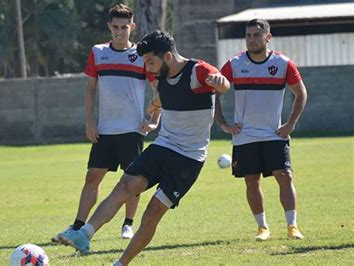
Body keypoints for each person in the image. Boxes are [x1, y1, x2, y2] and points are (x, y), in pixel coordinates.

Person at [56, 30, 230, 265]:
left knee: (152, 213)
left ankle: (121, 263)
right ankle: (84, 234)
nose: (147, 68)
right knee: (127, 184)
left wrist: (221, 83)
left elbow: (221, 83)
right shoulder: (162, 78)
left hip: (188, 158)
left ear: (168, 56)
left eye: (151, 61)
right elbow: (160, 99)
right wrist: (152, 109)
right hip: (164, 146)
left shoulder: (197, 71)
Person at [51, 3, 159, 242]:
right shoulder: (98, 52)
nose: (120, 32)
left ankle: (128, 224)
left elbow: (157, 88)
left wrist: (153, 120)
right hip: (104, 130)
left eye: (124, 27)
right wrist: (89, 122)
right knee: (92, 177)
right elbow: (90, 89)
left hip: (132, 130)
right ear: (109, 27)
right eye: (116, 27)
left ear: (132, 26)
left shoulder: (141, 55)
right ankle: (77, 226)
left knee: (132, 181)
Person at [215, 18, 307, 241]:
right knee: (251, 180)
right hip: (244, 136)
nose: (251, 40)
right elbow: (214, 92)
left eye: (256, 35)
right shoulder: (234, 64)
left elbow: (301, 94)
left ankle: (292, 226)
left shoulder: (283, 64)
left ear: (268, 37)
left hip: (274, 134)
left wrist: (290, 124)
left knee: (284, 176)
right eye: (248, 35)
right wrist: (224, 124)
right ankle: (262, 228)